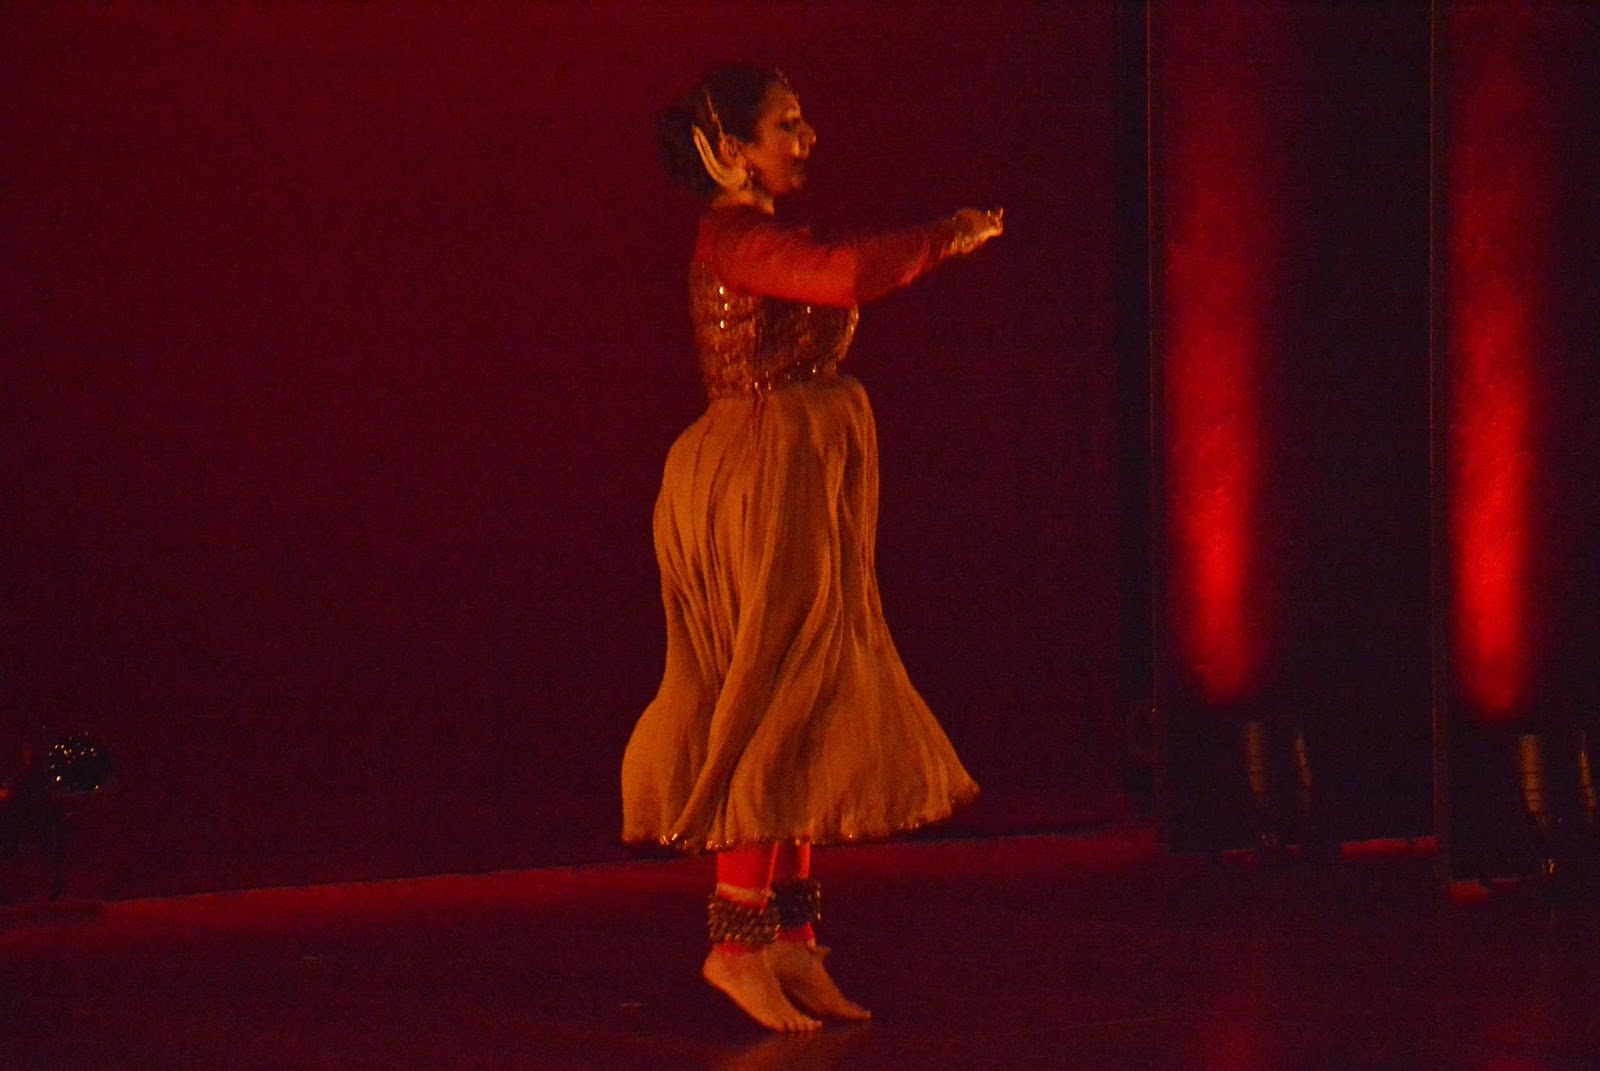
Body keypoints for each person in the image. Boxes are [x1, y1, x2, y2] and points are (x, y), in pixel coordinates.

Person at [621, 65, 1000, 1032]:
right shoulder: (735, 237)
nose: (807, 138)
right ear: (731, 150)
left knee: (814, 695)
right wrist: (945, 235)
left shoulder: (760, 233)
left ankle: (791, 939)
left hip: (803, 469)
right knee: (768, 693)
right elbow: (842, 273)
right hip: (760, 473)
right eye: (786, 124)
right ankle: (735, 940)